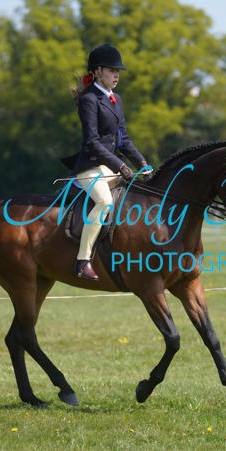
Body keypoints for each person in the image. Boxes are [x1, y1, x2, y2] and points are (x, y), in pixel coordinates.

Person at [68, 43, 151, 281]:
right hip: (90, 166)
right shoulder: (89, 100)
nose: (117, 75)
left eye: (118, 71)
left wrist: (142, 163)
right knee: (104, 202)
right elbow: (92, 142)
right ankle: (83, 260)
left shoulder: (116, 99)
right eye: (112, 70)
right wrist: (121, 166)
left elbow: (124, 139)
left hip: (110, 166)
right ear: (97, 72)